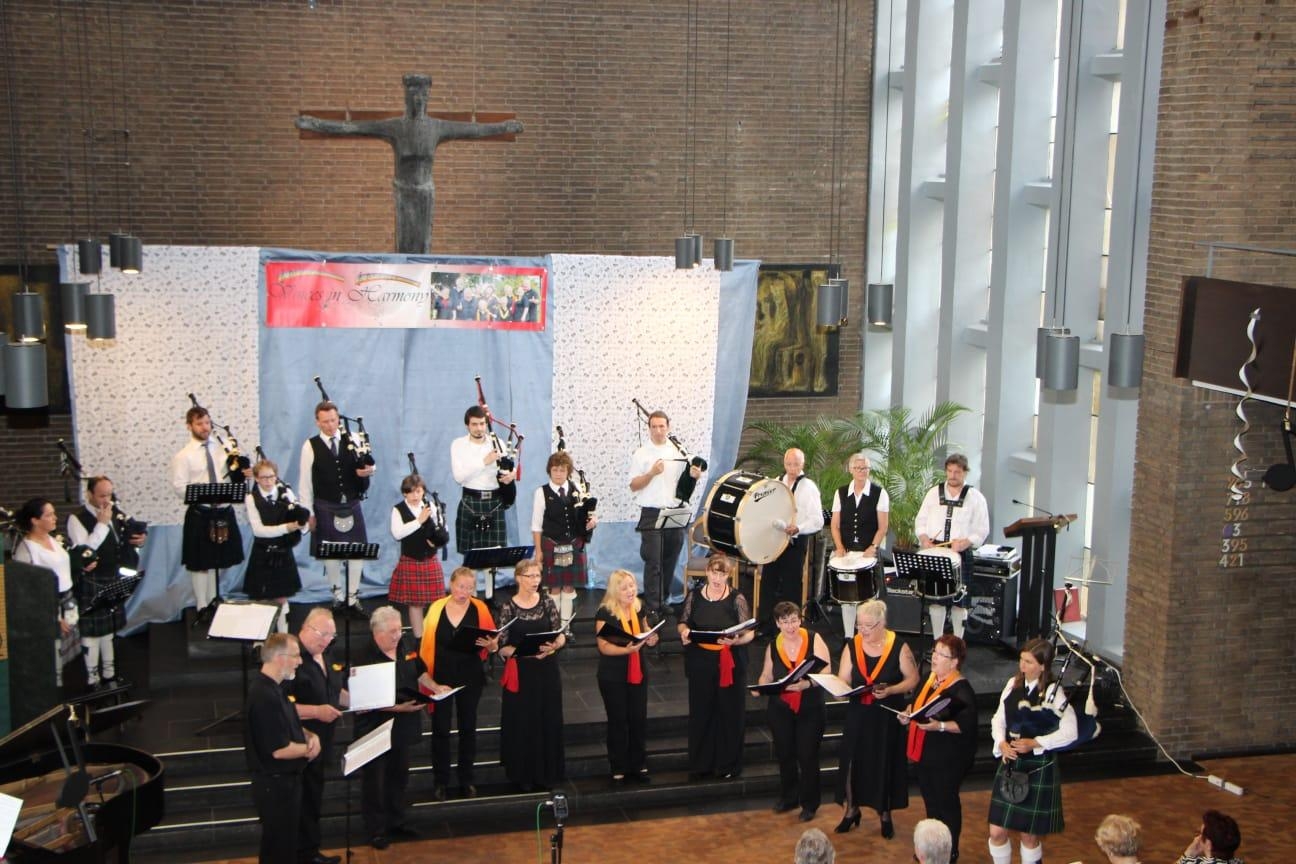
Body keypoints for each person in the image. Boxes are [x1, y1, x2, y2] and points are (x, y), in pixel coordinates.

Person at [295, 73, 524, 255]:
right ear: (406, 98)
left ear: (427, 99)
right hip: (404, 192)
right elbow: (352, 127)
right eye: (413, 94)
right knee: (404, 244)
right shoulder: (395, 127)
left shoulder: (437, 127)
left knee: (423, 246)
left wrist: (502, 127)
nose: (418, 100)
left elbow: (474, 130)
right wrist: (315, 124)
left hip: (425, 192)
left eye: (422, 95)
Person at [987, 638, 1078, 864]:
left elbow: (1071, 732)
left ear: (1043, 666)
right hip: (1010, 763)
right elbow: (998, 719)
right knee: (996, 832)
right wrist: (1001, 743)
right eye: (1021, 659)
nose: (1022, 666)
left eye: (1028, 662)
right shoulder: (1013, 684)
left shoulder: (1053, 693)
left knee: (1028, 836)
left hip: (1037, 768)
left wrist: (1036, 742)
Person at [835, 598, 919, 838]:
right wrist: (839, 689)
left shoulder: (898, 646)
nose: (862, 630)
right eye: (859, 625)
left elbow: (912, 679)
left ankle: (885, 814)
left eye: (868, 626)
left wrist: (892, 690)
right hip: (858, 714)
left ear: (881, 623)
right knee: (852, 762)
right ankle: (852, 810)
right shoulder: (852, 646)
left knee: (885, 762)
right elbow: (844, 678)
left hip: (886, 716)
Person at [418, 566, 499, 800]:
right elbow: (426, 645)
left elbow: (493, 643)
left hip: (469, 676)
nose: (464, 592)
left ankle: (467, 779)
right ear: (451, 585)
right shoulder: (436, 609)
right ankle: (440, 780)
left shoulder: (480, 608)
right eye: (460, 586)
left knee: (468, 728)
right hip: (441, 677)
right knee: (440, 729)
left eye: (469, 588)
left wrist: (491, 645)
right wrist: (430, 681)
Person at [353, 606, 428, 850]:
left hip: (403, 726)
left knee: (399, 775)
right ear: (377, 632)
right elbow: (364, 701)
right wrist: (398, 707)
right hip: (375, 727)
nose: (398, 635)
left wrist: (436, 687)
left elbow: (420, 671)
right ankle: (376, 829)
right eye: (392, 631)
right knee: (375, 780)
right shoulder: (364, 656)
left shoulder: (405, 645)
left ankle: (397, 820)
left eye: (399, 629)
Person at [899, 634, 978, 862]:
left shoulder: (961, 689)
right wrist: (908, 713)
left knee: (947, 803)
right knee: (931, 802)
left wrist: (940, 726)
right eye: (934, 652)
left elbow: (966, 726)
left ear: (954, 662)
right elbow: (917, 704)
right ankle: (932, 848)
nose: (934, 657)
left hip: (948, 757)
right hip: (926, 753)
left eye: (941, 654)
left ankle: (950, 851)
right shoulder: (929, 677)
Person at [677, 552, 754, 779]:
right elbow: (683, 622)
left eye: (722, 574)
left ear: (728, 575)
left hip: (728, 662)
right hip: (701, 662)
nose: (717, 578)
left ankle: (728, 764)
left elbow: (749, 631)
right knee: (701, 712)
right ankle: (701, 764)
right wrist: (684, 633)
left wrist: (737, 640)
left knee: (730, 712)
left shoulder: (737, 599)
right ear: (707, 572)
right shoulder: (694, 596)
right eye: (714, 573)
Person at [245, 633, 319, 864]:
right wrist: (308, 749)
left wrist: (310, 734)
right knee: (278, 851)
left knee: (285, 846)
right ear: (279, 658)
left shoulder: (276, 689)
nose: (299, 661)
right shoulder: (264, 696)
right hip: (275, 786)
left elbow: (290, 725)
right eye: (295, 656)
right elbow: (278, 749)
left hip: (285, 783)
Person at [66, 476, 146, 688]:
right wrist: (102, 524)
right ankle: (93, 679)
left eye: (109, 494)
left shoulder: (115, 512)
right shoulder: (77, 519)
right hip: (92, 580)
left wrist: (138, 541)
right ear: (89, 494)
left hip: (113, 577)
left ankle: (109, 674)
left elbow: (121, 542)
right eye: (101, 495)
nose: (106, 500)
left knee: (109, 630)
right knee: (92, 632)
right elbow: (86, 551)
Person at [754, 601, 831, 821]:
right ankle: (789, 797)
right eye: (786, 622)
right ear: (778, 623)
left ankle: (810, 803)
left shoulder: (814, 639)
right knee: (785, 754)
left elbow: (827, 669)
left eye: (795, 620)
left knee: (807, 756)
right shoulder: (773, 646)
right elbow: (767, 675)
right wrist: (760, 686)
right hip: (781, 709)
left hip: (810, 707)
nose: (791, 626)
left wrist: (807, 684)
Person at [170, 405, 247, 623]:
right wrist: (203, 494)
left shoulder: (223, 448)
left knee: (218, 560)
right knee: (200, 562)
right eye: (199, 424)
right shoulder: (184, 456)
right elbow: (178, 487)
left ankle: (215, 599)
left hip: (223, 510)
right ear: (189, 426)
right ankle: (202, 604)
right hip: (201, 513)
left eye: (207, 423)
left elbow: (234, 474)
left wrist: (241, 471)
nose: (205, 427)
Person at [299, 400, 375, 614]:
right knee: (330, 554)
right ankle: (337, 596)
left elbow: (370, 463)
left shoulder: (353, 439)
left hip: (351, 503)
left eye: (333, 420)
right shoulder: (310, 446)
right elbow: (305, 482)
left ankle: (353, 598)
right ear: (317, 422)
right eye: (325, 422)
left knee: (357, 552)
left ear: (338, 419)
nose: (330, 425)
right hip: (325, 505)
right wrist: (308, 513)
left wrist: (367, 470)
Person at [497, 558, 566, 791]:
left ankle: (548, 772)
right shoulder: (509, 607)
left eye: (538, 576)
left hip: (547, 669)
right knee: (524, 723)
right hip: (523, 673)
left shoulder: (546, 601)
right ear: (518, 578)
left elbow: (561, 634)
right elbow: (501, 646)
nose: (535, 581)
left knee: (548, 718)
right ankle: (524, 774)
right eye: (530, 576)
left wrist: (554, 646)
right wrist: (523, 652)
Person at [288, 608, 348, 864]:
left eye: (331, 637)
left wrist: (366, 700)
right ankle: (303, 854)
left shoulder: (326, 654)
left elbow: (335, 691)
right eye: (322, 635)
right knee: (303, 801)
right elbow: (280, 706)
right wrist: (316, 711)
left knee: (314, 797)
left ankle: (310, 851)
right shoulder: (291, 657)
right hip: (301, 743)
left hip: (324, 741)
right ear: (306, 629)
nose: (326, 641)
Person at [629, 410, 703, 617]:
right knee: (653, 561)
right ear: (649, 428)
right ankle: (652, 606)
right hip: (651, 513)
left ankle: (663, 600)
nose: (659, 430)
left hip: (675, 512)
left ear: (668, 427)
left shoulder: (679, 452)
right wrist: (651, 473)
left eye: (662, 426)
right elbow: (634, 485)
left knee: (670, 560)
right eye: (654, 426)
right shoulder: (641, 453)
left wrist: (694, 476)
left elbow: (685, 487)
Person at [594, 569, 660, 784]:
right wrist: (626, 650)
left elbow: (646, 630)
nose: (631, 591)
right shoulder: (605, 613)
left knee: (638, 719)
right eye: (625, 588)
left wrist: (651, 638)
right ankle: (618, 767)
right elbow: (603, 646)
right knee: (618, 720)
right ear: (615, 591)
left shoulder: (638, 608)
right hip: (613, 674)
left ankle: (638, 764)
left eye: (632, 586)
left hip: (637, 671)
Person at [915, 453, 989, 638]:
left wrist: (966, 542)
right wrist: (924, 539)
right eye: (950, 471)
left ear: (965, 473)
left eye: (957, 472)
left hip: (961, 553)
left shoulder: (976, 497)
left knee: (960, 602)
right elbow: (920, 520)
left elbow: (982, 529)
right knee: (936, 600)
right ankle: (937, 641)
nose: (953, 475)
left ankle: (957, 643)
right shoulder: (933, 493)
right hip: (935, 551)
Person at [450, 405, 517, 599]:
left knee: (492, 555)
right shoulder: (458, 445)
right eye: (475, 424)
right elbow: (459, 476)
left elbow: (508, 468)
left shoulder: (498, 443)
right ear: (467, 425)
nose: (479, 428)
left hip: (494, 500)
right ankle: (467, 596)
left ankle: (489, 597)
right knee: (470, 555)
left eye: (482, 424)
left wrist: (509, 476)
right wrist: (484, 462)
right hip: (471, 499)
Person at [757, 449, 824, 636]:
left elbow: (817, 520)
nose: (792, 468)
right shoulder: (776, 483)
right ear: (784, 463)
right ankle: (766, 625)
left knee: (790, 586)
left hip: (795, 542)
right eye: (789, 464)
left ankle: (791, 627)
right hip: (774, 541)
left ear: (803, 464)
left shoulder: (809, 487)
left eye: (796, 464)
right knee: (768, 583)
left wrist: (799, 528)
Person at [531, 450, 598, 639]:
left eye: (562, 470)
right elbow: (536, 526)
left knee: (569, 587)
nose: (558, 474)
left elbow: (588, 513)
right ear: (549, 471)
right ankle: (554, 627)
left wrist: (592, 521)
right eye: (555, 470)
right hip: (551, 544)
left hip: (574, 544)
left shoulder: (577, 489)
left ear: (568, 471)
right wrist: (538, 552)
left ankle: (566, 627)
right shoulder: (541, 492)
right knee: (554, 588)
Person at [12, 498, 79, 686]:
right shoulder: (26, 550)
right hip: (49, 606)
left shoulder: (52, 538)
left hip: (67, 600)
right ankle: (53, 698)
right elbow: (27, 590)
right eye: (49, 515)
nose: (54, 518)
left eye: (53, 513)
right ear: (35, 520)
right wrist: (54, 617)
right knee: (53, 656)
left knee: (66, 658)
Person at [244, 459, 309, 633]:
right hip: (263, 553)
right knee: (262, 600)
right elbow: (258, 531)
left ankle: (283, 637)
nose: (268, 481)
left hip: (282, 553)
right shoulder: (251, 499)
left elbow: (301, 520)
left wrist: (302, 525)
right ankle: (259, 641)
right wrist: (286, 528)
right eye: (263, 478)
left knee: (281, 598)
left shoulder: (286, 493)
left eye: (271, 477)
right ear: (256, 478)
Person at [829, 452, 890, 637]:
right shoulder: (840, 493)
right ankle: (849, 637)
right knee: (847, 599)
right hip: (846, 553)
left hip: (868, 553)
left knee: (869, 600)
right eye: (857, 468)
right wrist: (839, 547)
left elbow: (883, 527)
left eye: (864, 468)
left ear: (869, 470)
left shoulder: (879, 493)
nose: (861, 471)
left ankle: (871, 637)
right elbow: (835, 525)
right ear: (850, 470)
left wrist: (873, 547)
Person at [388, 473, 450, 638]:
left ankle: (435, 634)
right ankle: (419, 637)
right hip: (411, 559)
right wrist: (418, 521)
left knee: (437, 602)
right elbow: (397, 534)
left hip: (430, 559)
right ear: (404, 493)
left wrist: (437, 540)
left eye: (419, 491)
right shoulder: (398, 509)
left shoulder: (430, 505)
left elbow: (442, 527)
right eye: (411, 492)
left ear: (423, 491)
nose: (415, 496)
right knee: (415, 604)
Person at [1178, 810, 1243, 864]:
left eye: (1201, 834)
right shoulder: (1238, 862)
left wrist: (1188, 853)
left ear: (1209, 843)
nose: (1198, 838)